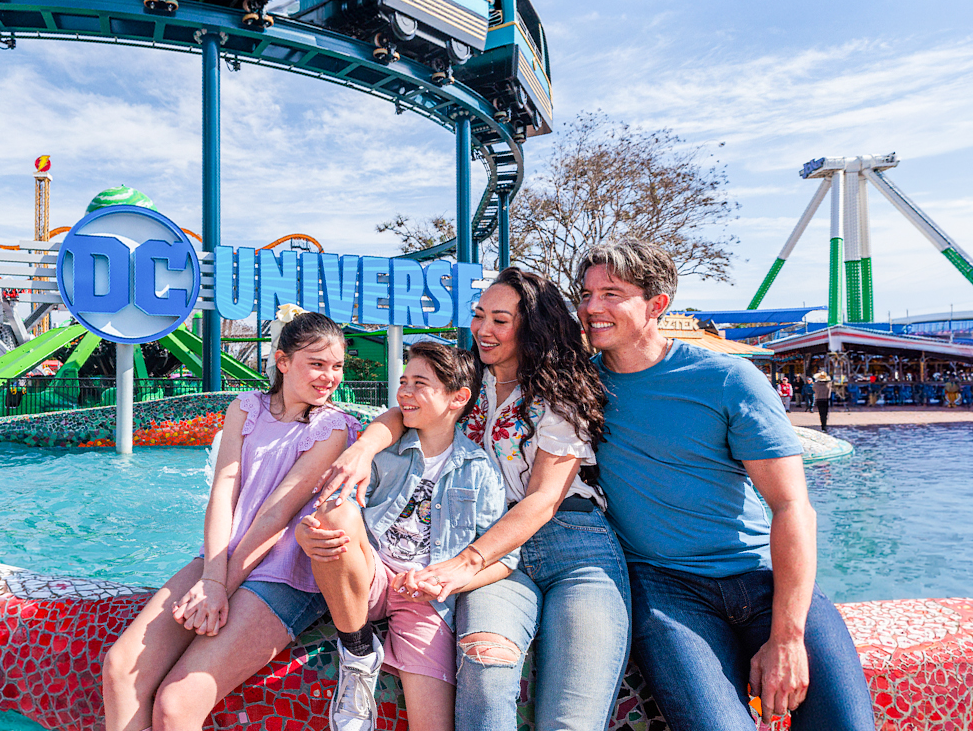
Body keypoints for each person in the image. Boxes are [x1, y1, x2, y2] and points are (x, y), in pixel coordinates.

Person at [576, 239, 874, 731]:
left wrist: (787, 638)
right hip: (665, 588)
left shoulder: (728, 379)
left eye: (612, 294)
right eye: (586, 295)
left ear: (656, 305)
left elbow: (792, 506)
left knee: (846, 724)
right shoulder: (577, 389)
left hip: (762, 577)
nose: (591, 308)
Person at [319, 268, 631, 731]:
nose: (483, 329)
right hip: (493, 548)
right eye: (479, 315)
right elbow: (405, 410)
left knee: (572, 718)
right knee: (486, 672)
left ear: (533, 326)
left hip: (572, 544)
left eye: (500, 320)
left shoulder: (561, 393)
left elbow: (544, 499)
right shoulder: (468, 381)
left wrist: (463, 564)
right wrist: (364, 449)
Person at [101, 311, 361, 731]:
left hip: (282, 572)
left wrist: (218, 586)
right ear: (282, 361)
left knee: (175, 704)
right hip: (222, 556)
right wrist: (211, 576)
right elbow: (223, 490)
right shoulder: (246, 407)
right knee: (120, 668)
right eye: (317, 364)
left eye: (337, 366)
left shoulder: (332, 428)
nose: (329, 376)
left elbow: (277, 513)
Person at [295, 341, 513, 731]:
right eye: (403, 381)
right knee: (334, 512)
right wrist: (305, 533)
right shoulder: (383, 453)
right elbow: (335, 511)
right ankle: (358, 652)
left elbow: (505, 559)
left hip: (424, 599)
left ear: (458, 398)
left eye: (419, 384)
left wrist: (444, 582)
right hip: (370, 574)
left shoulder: (480, 469)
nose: (404, 393)